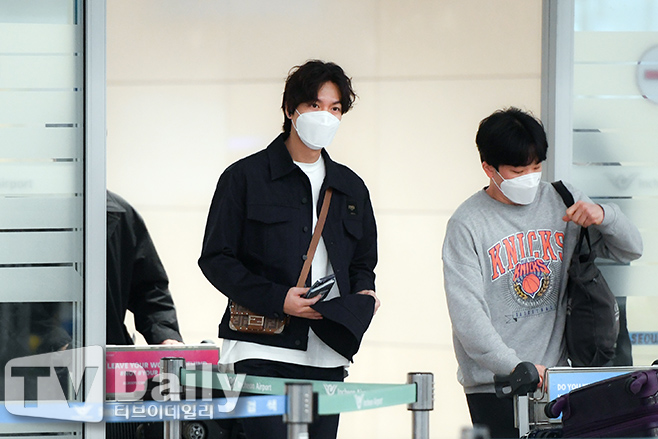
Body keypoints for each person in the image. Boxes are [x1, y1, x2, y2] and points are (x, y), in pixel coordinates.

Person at [199, 60, 379, 439]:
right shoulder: (244, 177)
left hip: (328, 349)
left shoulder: (351, 187)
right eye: (315, 105)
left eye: (335, 108)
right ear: (289, 109)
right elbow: (216, 258)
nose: (325, 116)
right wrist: (278, 299)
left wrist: (365, 294)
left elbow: (363, 260)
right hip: (261, 351)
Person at [442, 108, 642, 438]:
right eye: (518, 171)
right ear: (489, 168)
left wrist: (604, 215)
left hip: (558, 382)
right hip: (495, 387)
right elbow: (467, 314)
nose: (530, 178)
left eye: (536, 168)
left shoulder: (562, 200)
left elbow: (630, 249)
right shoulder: (467, 224)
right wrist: (515, 366)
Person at [106, 190, 183, 345]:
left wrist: (165, 335)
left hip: (108, 349)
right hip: (56, 353)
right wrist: (60, 341)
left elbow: (148, 288)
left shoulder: (120, 212)